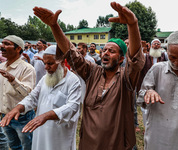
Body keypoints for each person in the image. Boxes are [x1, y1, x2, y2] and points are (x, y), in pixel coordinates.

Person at [33, 2, 145, 150]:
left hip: (117, 143)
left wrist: (132, 24)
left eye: (111, 51)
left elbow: (136, 59)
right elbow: (71, 53)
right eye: (104, 50)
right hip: (89, 143)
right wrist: (54, 26)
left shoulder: (127, 77)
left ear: (121, 59)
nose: (105, 53)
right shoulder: (92, 71)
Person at [0, 45, 82, 150]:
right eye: (45, 63)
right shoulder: (45, 78)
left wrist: (45, 116)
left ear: (62, 62)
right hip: (41, 129)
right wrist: (17, 108)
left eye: (50, 64)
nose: (46, 67)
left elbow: (72, 107)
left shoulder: (73, 81)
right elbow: (33, 97)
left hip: (60, 134)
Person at [137, 31, 178, 150]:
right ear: (167, 51)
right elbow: (141, 97)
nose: (177, 62)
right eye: (172, 57)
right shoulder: (157, 69)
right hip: (157, 134)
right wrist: (148, 92)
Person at [0, 35, 36, 150]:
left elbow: (27, 94)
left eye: (7, 44)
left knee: (28, 147)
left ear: (18, 48)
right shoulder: (1, 66)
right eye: (2, 43)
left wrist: (13, 80)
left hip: (22, 118)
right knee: (14, 146)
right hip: (5, 117)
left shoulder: (27, 69)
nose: (2, 46)